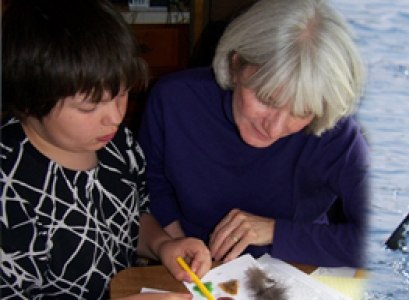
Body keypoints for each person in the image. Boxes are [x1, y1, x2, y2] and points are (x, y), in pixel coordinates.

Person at [1, 1, 210, 299]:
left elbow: (132, 215)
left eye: (122, 93)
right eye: (89, 107)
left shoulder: (116, 142)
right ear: (28, 100)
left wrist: (163, 244)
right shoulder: (9, 189)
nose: (115, 117)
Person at [140, 0, 369, 268]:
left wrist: (274, 230)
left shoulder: (337, 131)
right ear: (236, 65)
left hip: (299, 268)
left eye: (301, 111)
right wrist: (178, 244)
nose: (273, 127)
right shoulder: (173, 99)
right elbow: (149, 185)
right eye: (266, 99)